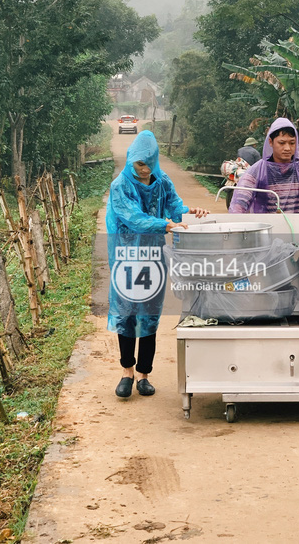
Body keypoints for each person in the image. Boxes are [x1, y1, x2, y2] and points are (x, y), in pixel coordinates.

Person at [106, 130, 208, 399]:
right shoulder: (121, 185)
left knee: (149, 314)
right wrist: (166, 224)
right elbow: (134, 218)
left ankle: (144, 375)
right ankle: (126, 372)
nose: (144, 169)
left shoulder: (162, 180)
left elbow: (174, 204)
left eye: (149, 163)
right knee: (126, 313)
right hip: (126, 257)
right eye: (140, 163)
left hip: (153, 258)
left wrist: (188, 210)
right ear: (131, 160)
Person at [229, 117, 299, 214]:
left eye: (292, 143)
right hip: (267, 227)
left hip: (298, 227)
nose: (287, 148)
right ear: (271, 142)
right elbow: (238, 206)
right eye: (282, 143)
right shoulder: (257, 171)